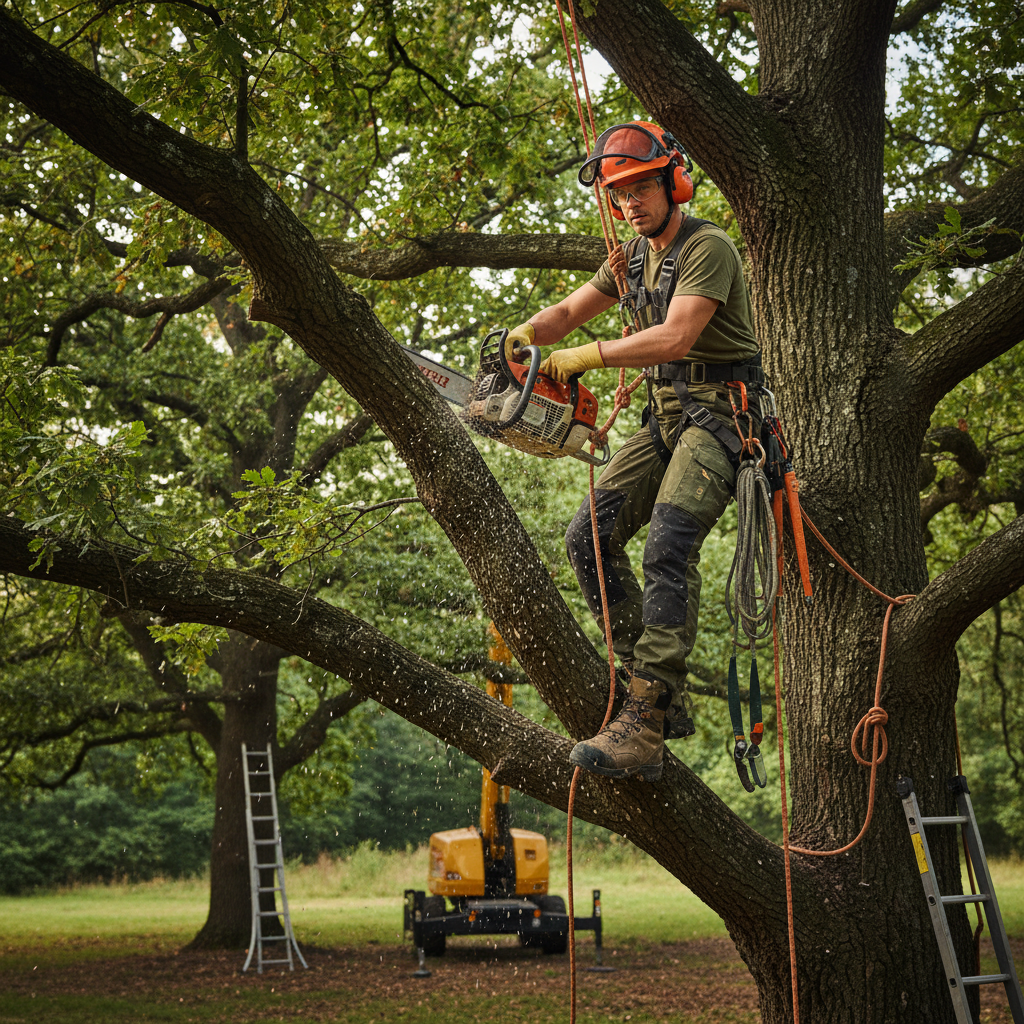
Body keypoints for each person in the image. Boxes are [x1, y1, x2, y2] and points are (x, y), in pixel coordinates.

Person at [505, 121, 763, 782]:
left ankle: (645, 718)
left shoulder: (708, 248)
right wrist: (523, 337)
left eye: (640, 188)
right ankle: (645, 685)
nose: (629, 205)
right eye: (619, 195)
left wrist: (586, 356)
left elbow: (677, 337)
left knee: (667, 546)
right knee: (588, 536)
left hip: (721, 420)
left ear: (672, 182)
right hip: (665, 417)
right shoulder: (631, 257)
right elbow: (566, 313)